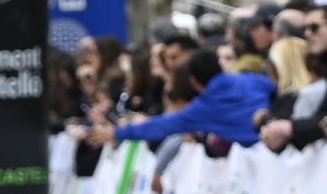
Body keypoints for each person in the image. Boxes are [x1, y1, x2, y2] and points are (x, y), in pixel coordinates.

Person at [78, 48, 273, 152]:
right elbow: (279, 94)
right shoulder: (255, 80)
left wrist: (116, 132)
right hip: (274, 151)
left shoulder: (204, 107)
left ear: (194, 82)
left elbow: (161, 125)